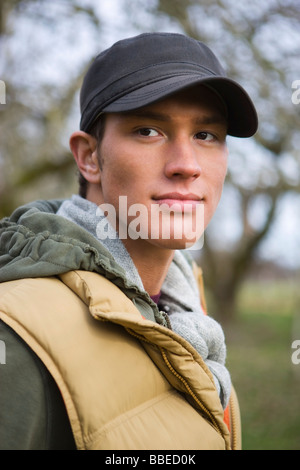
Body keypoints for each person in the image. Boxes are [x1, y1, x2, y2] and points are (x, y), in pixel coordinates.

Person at [0, 32, 258, 450]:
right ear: (89, 157)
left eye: (206, 135)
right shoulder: (17, 336)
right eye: (148, 130)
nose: (186, 165)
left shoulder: (185, 301)